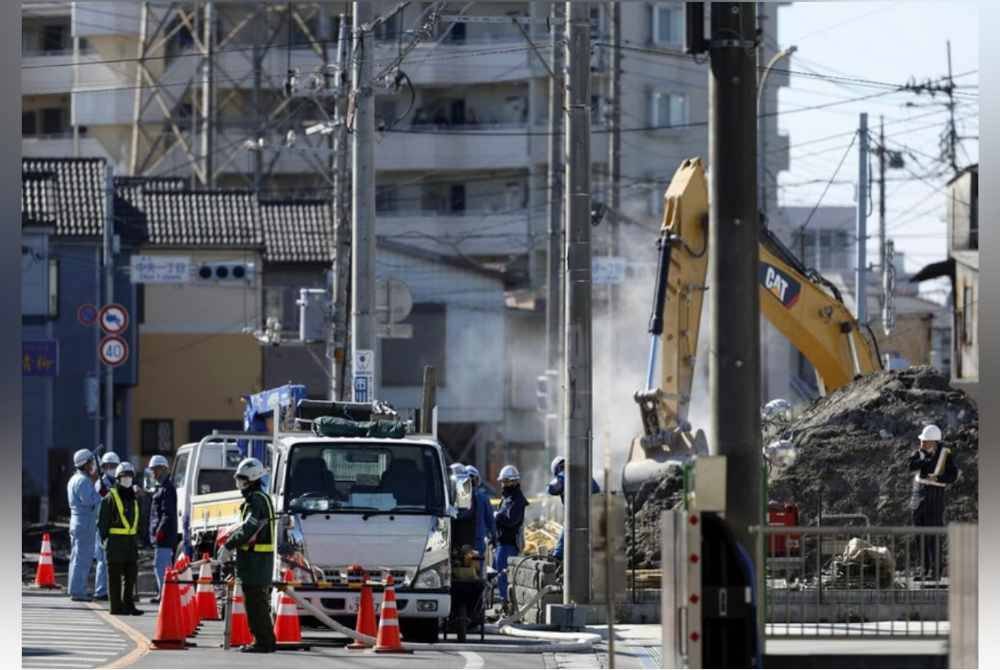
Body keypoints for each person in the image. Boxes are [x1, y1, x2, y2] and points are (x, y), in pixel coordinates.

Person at [221, 457, 276, 654]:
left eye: (242, 479)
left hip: (255, 562)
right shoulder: (260, 498)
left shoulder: (256, 500)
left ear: (252, 479)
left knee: (255, 604)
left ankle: (262, 642)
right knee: (258, 603)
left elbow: (249, 529)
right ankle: (266, 639)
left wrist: (228, 545)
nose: (239, 483)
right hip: (256, 561)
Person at [908, 424, 959, 580]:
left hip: (934, 500)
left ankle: (935, 572)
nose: (922, 444)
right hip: (918, 501)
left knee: (933, 537)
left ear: (934, 442)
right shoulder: (919, 453)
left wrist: (937, 478)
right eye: (922, 441)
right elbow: (911, 465)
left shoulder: (945, 455)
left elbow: (952, 475)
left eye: (925, 441)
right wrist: (924, 459)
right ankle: (924, 570)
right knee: (920, 536)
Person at [98, 463, 143, 616]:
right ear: (118, 478)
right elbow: (102, 522)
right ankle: (116, 607)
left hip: (130, 543)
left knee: (131, 576)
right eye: (124, 476)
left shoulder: (133, 498)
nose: (127, 479)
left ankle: (129, 605)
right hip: (115, 543)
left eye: (130, 476)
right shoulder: (110, 497)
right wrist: (104, 540)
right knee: (115, 578)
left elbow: (138, 520)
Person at [546, 456, 600, 561]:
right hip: (593, 513)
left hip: (575, 515)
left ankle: (558, 558)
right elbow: (596, 489)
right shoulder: (584, 475)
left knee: (565, 535)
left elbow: (551, 489)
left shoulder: (562, 476)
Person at [67, 449, 102, 602]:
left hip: (78, 521)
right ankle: (78, 591)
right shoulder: (83, 481)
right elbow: (90, 500)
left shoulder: (74, 479)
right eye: (91, 462)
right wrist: (100, 494)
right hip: (84, 522)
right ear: (85, 464)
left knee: (76, 557)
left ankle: (74, 588)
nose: (93, 465)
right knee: (83, 558)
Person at [492, 465, 527, 611]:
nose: (504, 485)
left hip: (509, 544)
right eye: (503, 482)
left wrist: (497, 516)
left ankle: (508, 606)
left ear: (514, 482)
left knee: (505, 577)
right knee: (499, 575)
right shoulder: (507, 498)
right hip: (502, 543)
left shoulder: (517, 499)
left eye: (506, 482)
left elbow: (512, 520)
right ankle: (505, 604)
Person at [147, 454, 177, 603]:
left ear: (163, 469)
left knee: (161, 565)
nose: (153, 473)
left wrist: (160, 530)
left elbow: (167, 513)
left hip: (164, 536)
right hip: (162, 534)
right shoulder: (162, 488)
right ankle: (163, 593)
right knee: (162, 565)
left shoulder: (167, 489)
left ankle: (164, 595)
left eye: (155, 469)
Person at [93, 451, 120, 602]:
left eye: (114, 466)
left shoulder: (115, 483)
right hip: (102, 526)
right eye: (108, 466)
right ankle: (100, 590)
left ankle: (106, 589)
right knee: (103, 560)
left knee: (109, 560)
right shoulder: (100, 484)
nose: (111, 468)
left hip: (113, 525)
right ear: (103, 467)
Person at [465, 465, 495, 575]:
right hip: (478, 542)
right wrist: (494, 538)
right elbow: (491, 521)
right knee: (476, 573)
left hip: (460, 543)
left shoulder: (455, 498)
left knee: (460, 570)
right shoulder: (483, 498)